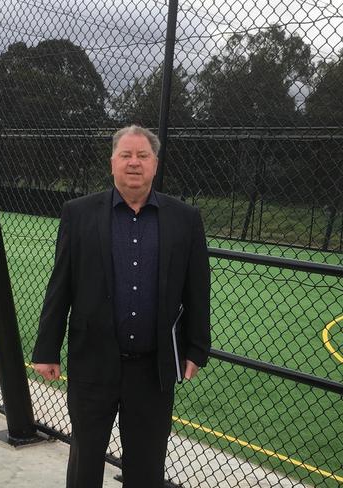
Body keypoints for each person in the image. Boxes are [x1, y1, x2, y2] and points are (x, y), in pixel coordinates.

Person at [31, 125, 211, 488]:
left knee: (146, 465)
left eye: (142, 156)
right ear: (112, 162)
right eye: (126, 155)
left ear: (155, 165)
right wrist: (46, 349)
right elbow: (60, 285)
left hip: (152, 368)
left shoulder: (184, 219)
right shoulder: (78, 213)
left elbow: (197, 290)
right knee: (85, 460)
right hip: (92, 362)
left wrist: (196, 347)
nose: (134, 163)